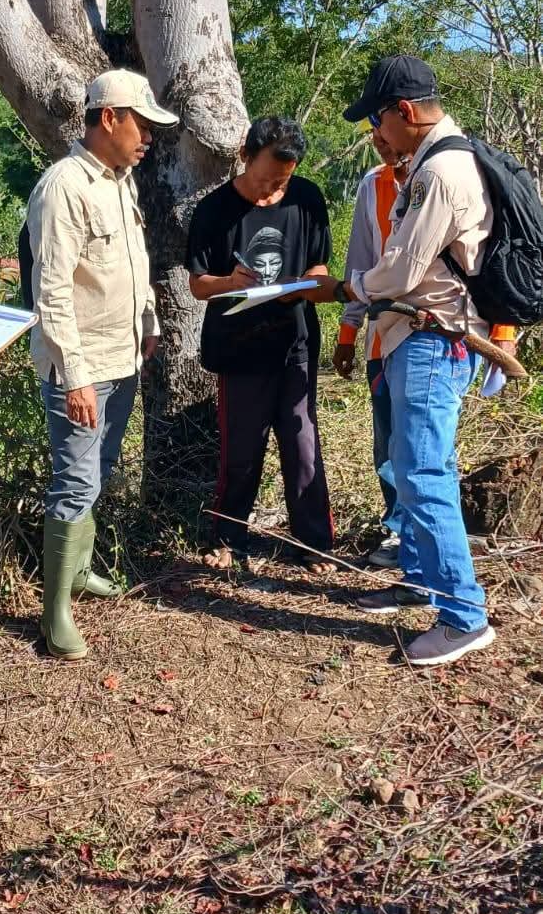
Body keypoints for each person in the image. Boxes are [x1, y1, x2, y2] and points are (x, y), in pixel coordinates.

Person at [300, 54, 516, 668]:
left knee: (423, 473)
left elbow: (401, 268)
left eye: (380, 119)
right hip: (415, 336)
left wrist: (345, 291)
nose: (377, 133)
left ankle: (462, 614)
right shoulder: (432, 164)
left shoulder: (441, 174)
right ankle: (420, 580)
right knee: (413, 463)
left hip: (429, 337)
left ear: (408, 112)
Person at [26, 70, 177, 660]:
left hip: (121, 357)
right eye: (142, 125)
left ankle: (80, 570)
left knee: (100, 468)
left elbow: (132, 263)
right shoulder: (64, 186)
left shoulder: (119, 181)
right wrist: (75, 375)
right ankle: (54, 611)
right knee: (76, 480)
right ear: (110, 117)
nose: (148, 139)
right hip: (82, 366)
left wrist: (150, 326)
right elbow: (53, 291)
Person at [186, 116, 333, 568]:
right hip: (239, 346)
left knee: (302, 443)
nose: (273, 189)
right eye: (267, 177)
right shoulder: (214, 209)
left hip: (295, 341)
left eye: (282, 181)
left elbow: (319, 268)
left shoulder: (307, 199)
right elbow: (197, 284)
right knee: (242, 449)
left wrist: (308, 283)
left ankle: (314, 543)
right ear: (245, 156)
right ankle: (227, 539)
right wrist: (230, 281)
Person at [333, 127, 410, 569]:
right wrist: (348, 332)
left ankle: (423, 534)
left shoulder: (440, 177)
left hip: (430, 339)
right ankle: (398, 528)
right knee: (387, 445)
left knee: (423, 446)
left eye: (387, 134)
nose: (382, 144)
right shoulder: (372, 186)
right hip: (382, 339)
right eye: (374, 137)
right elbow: (359, 263)